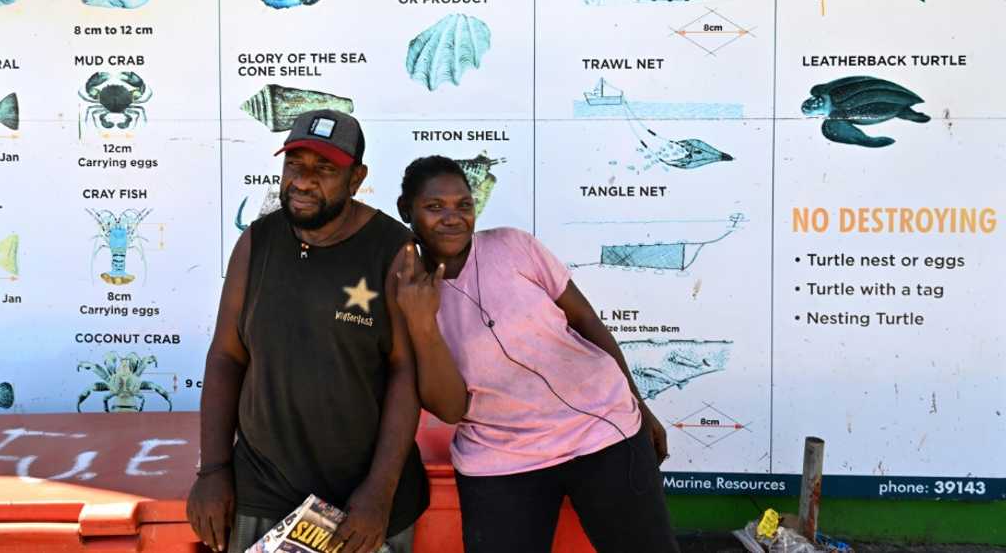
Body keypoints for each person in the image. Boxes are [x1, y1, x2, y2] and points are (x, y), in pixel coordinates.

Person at [393, 156, 680, 553]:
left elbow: (586, 322)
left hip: (601, 430)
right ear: (405, 210)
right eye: (434, 207)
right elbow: (451, 408)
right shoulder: (405, 291)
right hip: (500, 457)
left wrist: (639, 404)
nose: (452, 218)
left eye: (464, 204)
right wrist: (423, 325)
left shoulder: (513, 246)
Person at [187, 110, 429, 553]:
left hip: (360, 505)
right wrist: (213, 470)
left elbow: (405, 375)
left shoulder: (394, 250)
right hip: (262, 490)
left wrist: (379, 491)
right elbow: (226, 357)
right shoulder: (256, 242)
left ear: (357, 178)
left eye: (324, 170)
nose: (302, 181)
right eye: (294, 165)